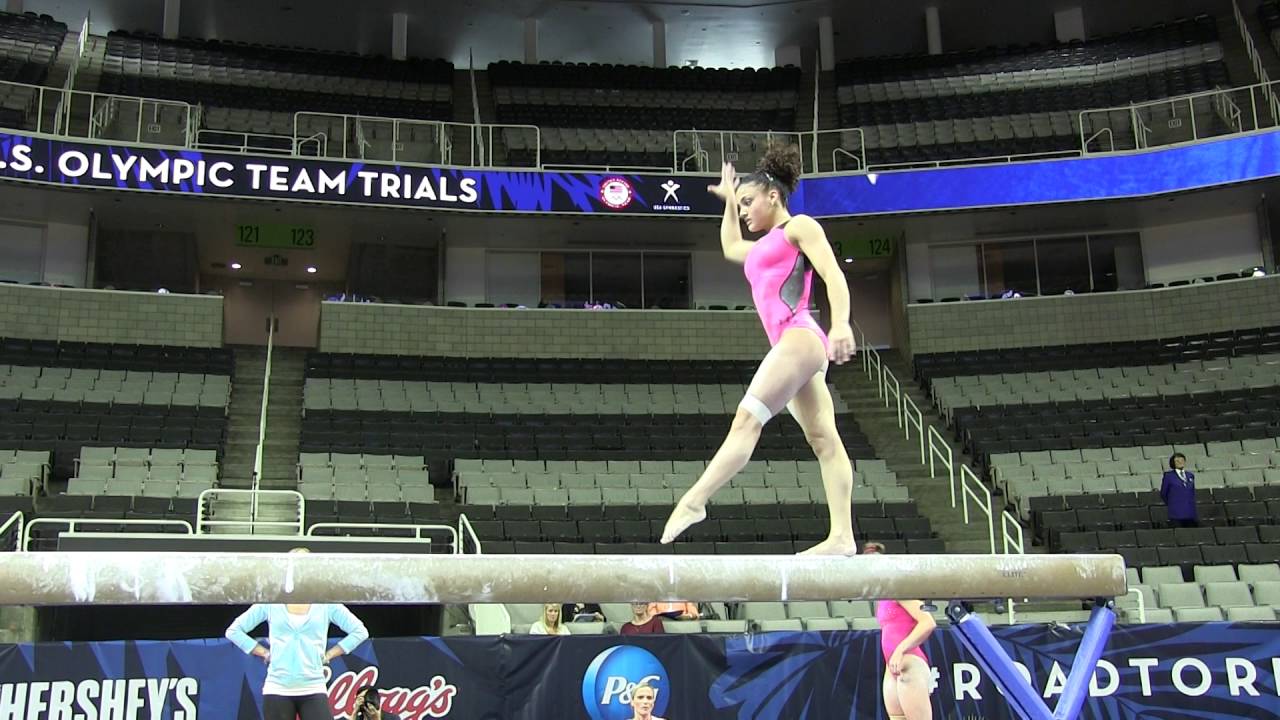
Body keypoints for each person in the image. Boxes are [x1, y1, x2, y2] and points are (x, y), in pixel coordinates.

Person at [661, 146, 858, 555]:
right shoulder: (762, 247)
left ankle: (695, 500)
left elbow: (832, 273)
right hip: (795, 347)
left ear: (774, 196)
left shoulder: (797, 228)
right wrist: (730, 203)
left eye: (750, 202)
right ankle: (842, 536)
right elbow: (732, 245)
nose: (746, 210)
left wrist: (840, 323)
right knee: (824, 440)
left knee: (746, 421)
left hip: (799, 335)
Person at [224, 549, 370, 720]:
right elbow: (233, 631)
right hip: (277, 688)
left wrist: (329, 654)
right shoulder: (271, 603)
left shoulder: (326, 604)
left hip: (313, 686)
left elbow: (360, 631)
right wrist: (264, 652)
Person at [864, 542, 935, 720]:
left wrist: (900, 650)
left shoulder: (899, 589)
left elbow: (928, 622)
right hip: (892, 666)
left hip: (909, 661)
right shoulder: (882, 597)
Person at [1160, 452, 1198, 528]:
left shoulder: (1190, 475)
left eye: (1182, 460)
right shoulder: (1169, 476)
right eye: (1177, 461)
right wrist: (1173, 503)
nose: (1180, 462)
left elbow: (1192, 492)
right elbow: (1164, 493)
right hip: (1176, 513)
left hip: (1190, 512)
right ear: (1173, 463)